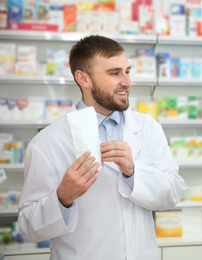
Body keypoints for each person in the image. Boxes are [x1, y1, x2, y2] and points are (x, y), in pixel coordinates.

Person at [18, 35, 186, 260]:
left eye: (127, 71)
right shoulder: (48, 142)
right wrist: (63, 198)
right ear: (83, 79)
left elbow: (173, 193)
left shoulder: (148, 127)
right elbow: (29, 227)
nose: (127, 82)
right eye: (114, 73)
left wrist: (133, 172)